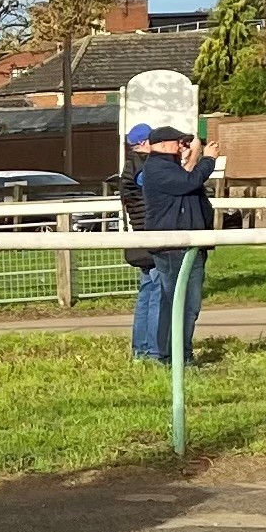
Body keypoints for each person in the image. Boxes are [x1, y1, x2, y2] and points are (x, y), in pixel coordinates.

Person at [142, 126, 220, 365]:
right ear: (164, 145)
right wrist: (207, 159)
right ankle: (178, 357)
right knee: (185, 304)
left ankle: (172, 355)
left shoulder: (167, 167)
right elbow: (189, 182)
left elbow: (185, 180)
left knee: (175, 303)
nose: (183, 147)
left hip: (183, 244)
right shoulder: (157, 168)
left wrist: (192, 157)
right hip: (175, 247)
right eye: (179, 143)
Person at [120, 123, 160, 360]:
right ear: (145, 143)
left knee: (147, 291)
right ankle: (153, 350)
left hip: (141, 233)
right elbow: (158, 187)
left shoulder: (130, 166)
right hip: (152, 234)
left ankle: (141, 349)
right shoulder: (143, 168)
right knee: (156, 293)